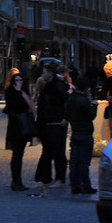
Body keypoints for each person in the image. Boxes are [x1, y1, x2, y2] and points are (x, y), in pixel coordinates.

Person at [34, 62, 70, 191]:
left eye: (44, 72)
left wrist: (65, 117)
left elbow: (67, 100)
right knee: (53, 151)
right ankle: (55, 178)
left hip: (57, 123)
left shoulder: (57, 87)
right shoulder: (50, 86)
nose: (42, 74)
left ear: (50, 73)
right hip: (51, 123)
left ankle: (60, 178)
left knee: (58, 152)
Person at [4, 71, 37, 191]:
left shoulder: (24, 92)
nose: (19, 83)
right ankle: (15, 181)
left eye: (21, 80)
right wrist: (18, 92)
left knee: (20, 155)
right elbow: (15, 106)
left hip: (24, 127)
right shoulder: (11, 92)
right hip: (15, 128)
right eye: (16, 80)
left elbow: (29, 107)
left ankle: (18, 181)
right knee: (16, 155)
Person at [65, 75, 98, 194]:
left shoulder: (71, 99)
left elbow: (67, 114)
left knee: (75, 161)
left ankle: (75, 184)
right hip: (85, 133)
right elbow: (91, 115)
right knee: (84, 161)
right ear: (86, 88)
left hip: (75, 132)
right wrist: (94, 106)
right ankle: (85, 184)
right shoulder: (83, 100)